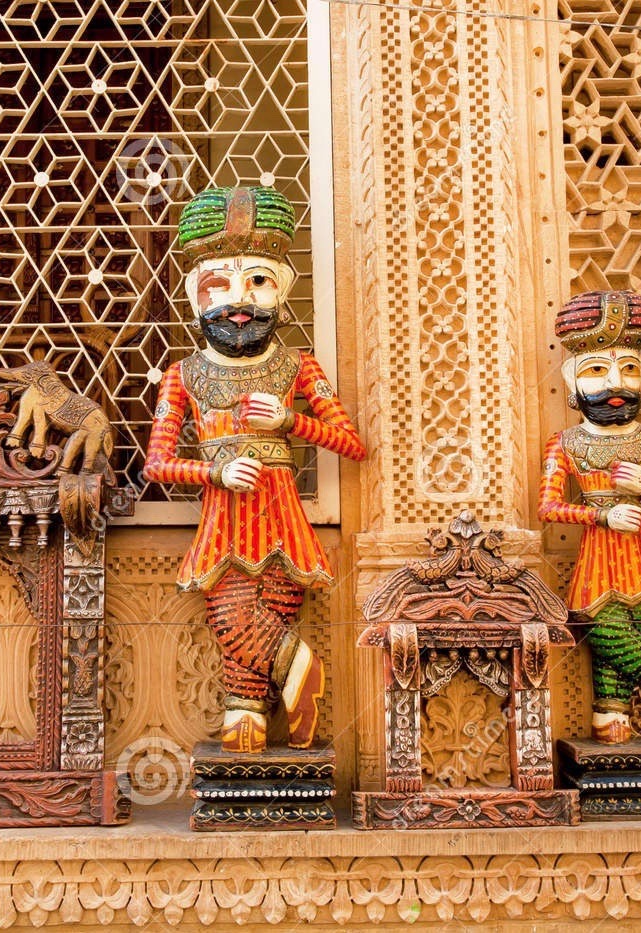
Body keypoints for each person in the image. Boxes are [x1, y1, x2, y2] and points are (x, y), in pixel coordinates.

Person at [143, 186, 366, 754]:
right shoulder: (183, 374)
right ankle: (298, 670)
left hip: (285, 521)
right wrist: (214, 474)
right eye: (218, 284)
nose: (237, 300)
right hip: (223, 520)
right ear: (194, 297)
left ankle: (247, 720)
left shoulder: (298, 366)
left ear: (283, 289)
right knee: (231, 622)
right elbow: (157, 463)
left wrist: (292, 422)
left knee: (261, 622)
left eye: (258, 281)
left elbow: (351, 444)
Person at [537, 290, 641, 744]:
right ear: (573, 385)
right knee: (601, 627)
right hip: (600, 556)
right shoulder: (565, 443)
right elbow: (548, 508)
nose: (617, 384)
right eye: (597, 371)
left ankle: (612, 720)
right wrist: (601, 517)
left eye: (629, 369)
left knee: (631, 637)